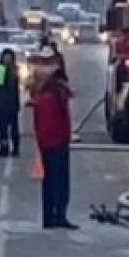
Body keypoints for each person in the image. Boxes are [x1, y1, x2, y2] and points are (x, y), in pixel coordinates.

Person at [31, 57, 77, 229]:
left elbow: (38, 122)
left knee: (49, 181)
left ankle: (48, 217)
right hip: (57, 143)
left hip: (46, 144)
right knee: (60, 181)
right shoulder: (55, 97)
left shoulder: (44, 96)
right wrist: (64, 138)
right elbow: (59, 121)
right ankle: (60, 216)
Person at [0, 49, 22, 157]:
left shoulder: (14, 70)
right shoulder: (1, 70)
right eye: (5, 57)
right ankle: (4, 148)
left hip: (12, 103)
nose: (7, 60)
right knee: (3, 128)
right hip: (3, 103)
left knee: (13, 127)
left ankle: (15, 148)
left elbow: (13, 87)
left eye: (9, 57)